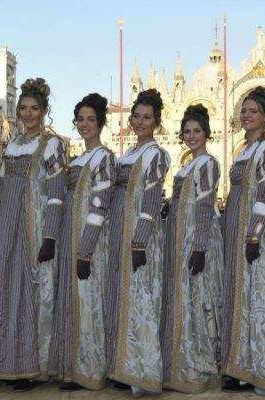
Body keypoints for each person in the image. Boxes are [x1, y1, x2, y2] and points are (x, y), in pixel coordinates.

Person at [0, 78, 66, 392]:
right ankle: (11, 363)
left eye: (35, 108)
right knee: (10, 289)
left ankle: (35, 366)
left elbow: (57, 192)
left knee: (35, 291)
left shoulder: (51, 144)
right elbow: (4, 184)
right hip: (8, 224)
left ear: (45, 111)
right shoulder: (11, 144)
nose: (28, 113)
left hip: (35, 227)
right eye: (23, 108)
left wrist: (49, 236)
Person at [103, 89, 169, 396]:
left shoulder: (156, 154)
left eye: (147, 118)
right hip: (118, 232)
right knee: (122, 299)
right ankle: (123, 368)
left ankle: (142, 373)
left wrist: (140, 241)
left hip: (139, 238)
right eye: (137, 117)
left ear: (156, 121)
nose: (141, 122)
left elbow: (153, 198)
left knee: (140, 301)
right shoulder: (127, 154)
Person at [220, 86, 265, 394]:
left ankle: (262, 370)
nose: (246, 116)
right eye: (243, 111)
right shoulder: (244, 149)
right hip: (235, 228)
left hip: (254, 233)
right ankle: (239, 366)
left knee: (257, 297)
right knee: (239, 294)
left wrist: (255, 234)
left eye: (253, 111)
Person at [49, 93, 115, 392]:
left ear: (100, 123)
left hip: (90, 242)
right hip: (69, 236)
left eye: (91, 119)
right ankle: (74, 369)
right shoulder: (79, 158)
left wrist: (86, 250)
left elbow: (100, 205)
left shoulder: (104, 157)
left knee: (88, 302)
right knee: (74, 300)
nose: (85, 125)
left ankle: (91, 371)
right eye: (80, 120)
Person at [161, 104, 223, 394]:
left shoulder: (208, 163)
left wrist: (199, 247)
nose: (191, 136)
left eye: (197, 131)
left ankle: (200, 365)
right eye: (187, 131)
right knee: (185, 299)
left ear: (207, 133)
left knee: (199, 299)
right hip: (179, 239)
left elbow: (205, 205)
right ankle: (182, 362)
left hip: (197, 241)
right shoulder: (187, 164)